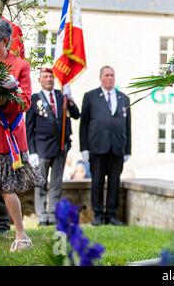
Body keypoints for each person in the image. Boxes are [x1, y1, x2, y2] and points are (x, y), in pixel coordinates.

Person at [0, 18, 44, 251]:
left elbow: (25, 102)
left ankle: (21, 234)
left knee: (6, 187)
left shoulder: (20, 66)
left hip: (5, 134)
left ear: (4, 41)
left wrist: (2, 101)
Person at [25, 67, 80, 226]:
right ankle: (42, 215)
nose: (49, 79)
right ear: (40, 80)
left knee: (56, 183)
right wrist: (32, 151)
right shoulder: (34, 99)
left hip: (60, 146)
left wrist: (69, 99)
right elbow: (28, 127)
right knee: (40, 182)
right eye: (45, 76)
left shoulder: (61, 96)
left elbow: (76, 115)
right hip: (41, 147)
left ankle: (52, 214)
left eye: (51, 76)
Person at [80, 65, 131, 226]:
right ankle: (98, 215)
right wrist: (84, 148)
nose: (110, 78)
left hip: (117, 147)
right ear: (101, 78)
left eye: (112, 75)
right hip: (97, 147)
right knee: (97, 181)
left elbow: (128, 126)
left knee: (114, 182)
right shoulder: (90, 96)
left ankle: (111, 214)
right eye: (107, 75)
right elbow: (84, 125)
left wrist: (128, 149)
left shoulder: (124, 98)